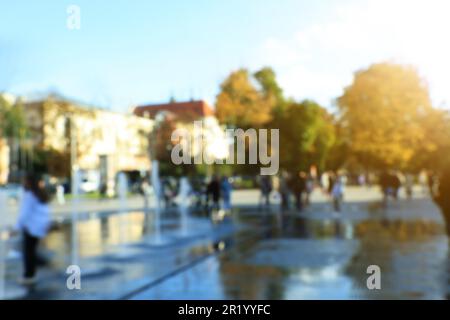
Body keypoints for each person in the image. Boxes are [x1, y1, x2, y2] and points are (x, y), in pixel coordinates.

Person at [16, 173, 51, 285]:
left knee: (28, 252)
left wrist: (16, 227)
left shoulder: (30, 195)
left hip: (30, 228)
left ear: (28, 182)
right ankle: (38, 265)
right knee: (31, 250)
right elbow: (45, 212)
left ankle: (29, 275)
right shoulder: (39, 194)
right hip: (38, 228)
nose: (22, 183)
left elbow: (24, 214)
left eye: (24, 181)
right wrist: (46, 224)